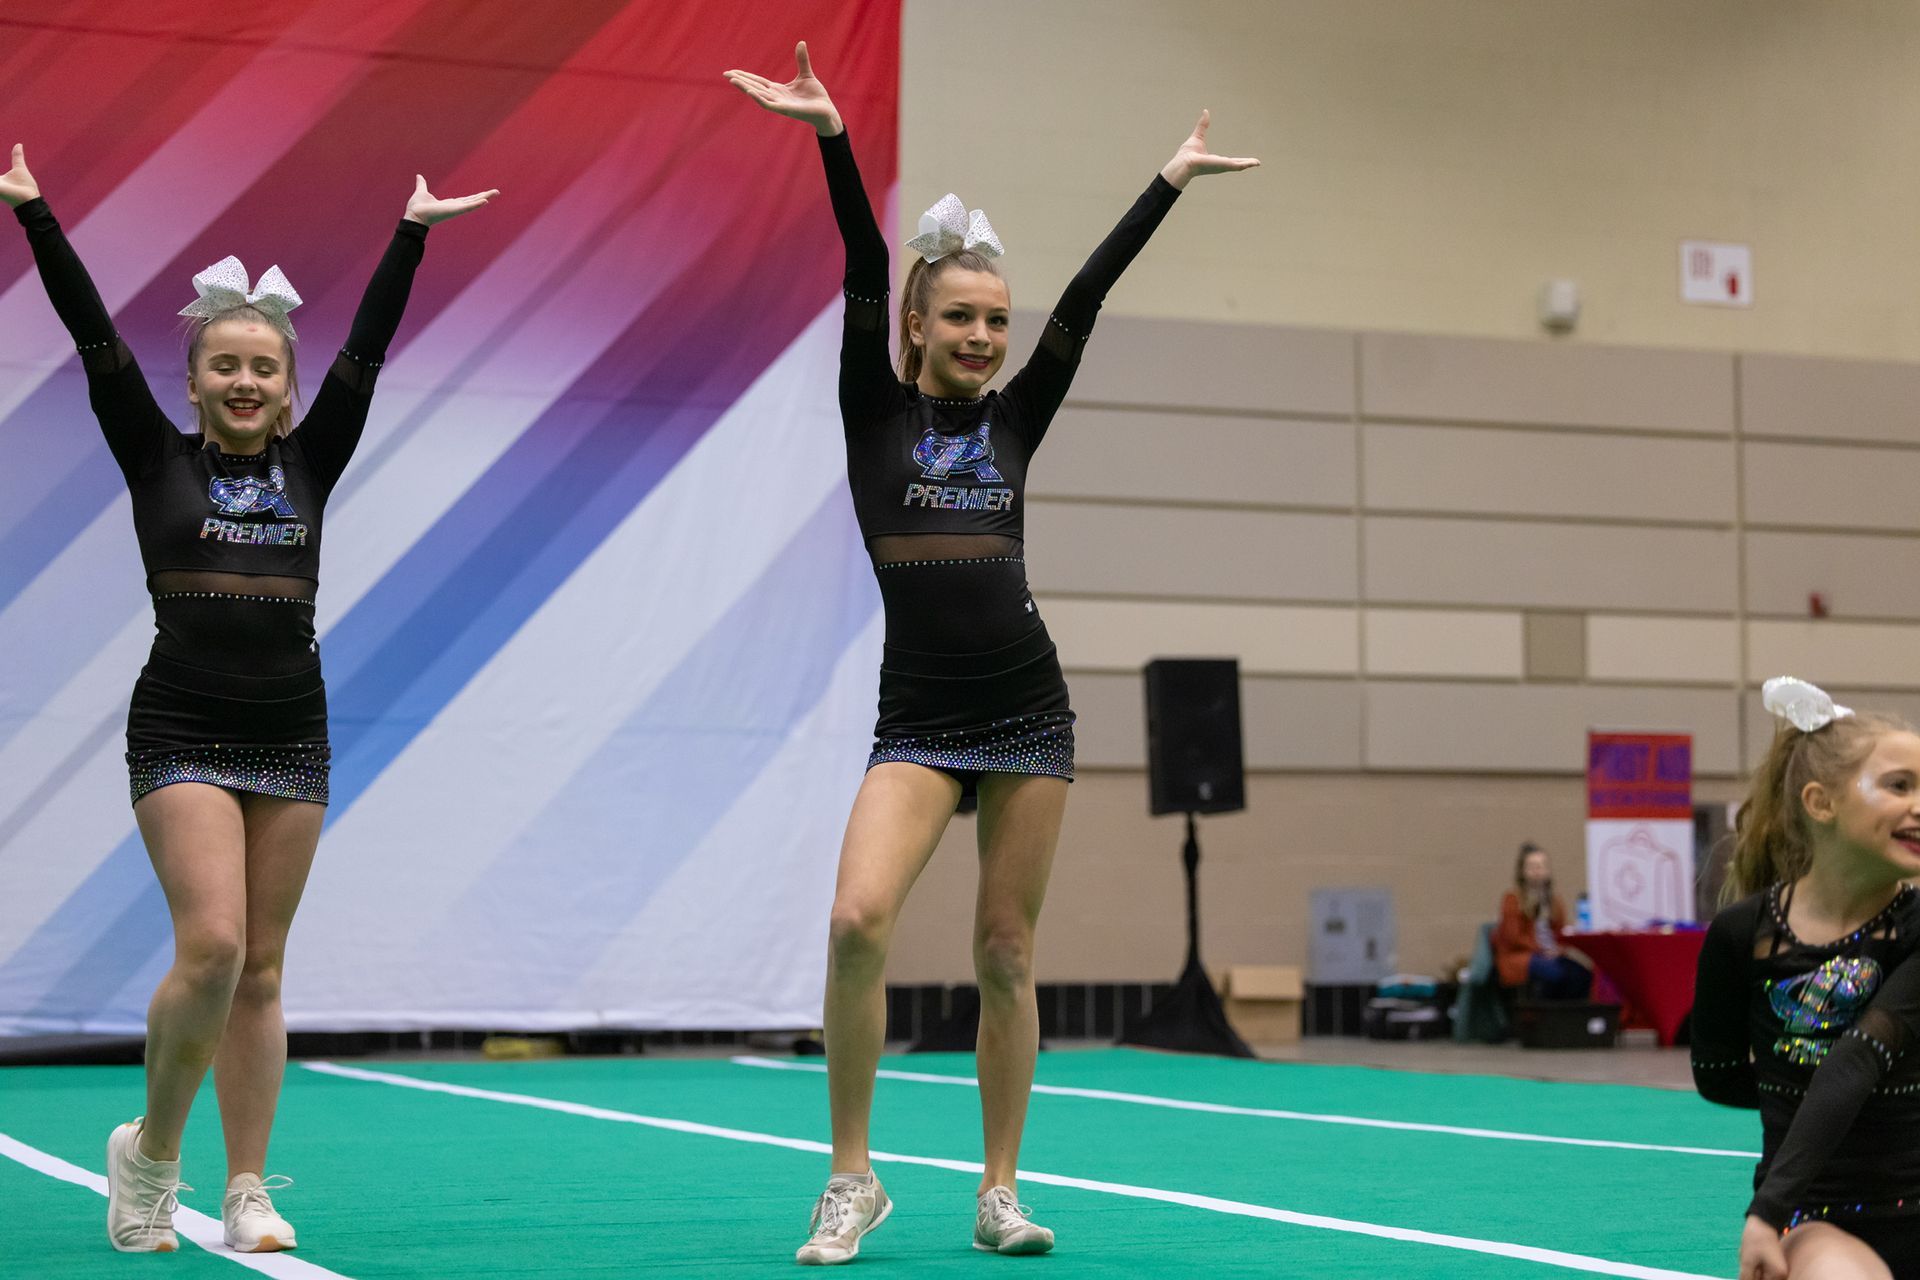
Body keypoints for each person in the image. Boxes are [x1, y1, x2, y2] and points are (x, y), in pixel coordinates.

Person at [724, 42, 1256, 1265]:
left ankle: (1000, 1186)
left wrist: (1165, 183)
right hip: (917, 712)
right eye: (961, 317)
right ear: (915, 322)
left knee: (1005, 949)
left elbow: (1086, 300)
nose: (985, 337)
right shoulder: (874, 407)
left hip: (1026, 708)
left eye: (995, 321)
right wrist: (830, 139)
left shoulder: (1018, 416)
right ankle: (852, 1177)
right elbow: (861, 259)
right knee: (859, 917)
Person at [2, 142, 495, 1254]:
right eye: (222, 364)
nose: (242, 381)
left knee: (264, 966)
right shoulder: (156, 458)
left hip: (292, 726)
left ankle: (247, 1183)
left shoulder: (314, 460)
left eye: (263, 368)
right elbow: (95, 345)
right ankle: (154, 1153)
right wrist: (36, 216)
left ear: (285, 385)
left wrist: (410, 233)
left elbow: (366, 352)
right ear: (192, 382)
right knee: (214, 944)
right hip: (179, 722)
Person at [1693, 677, 1920, 1280]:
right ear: (1821, 803)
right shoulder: (1743, 934)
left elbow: (1860, 1060)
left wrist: (1798, 1086)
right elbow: (1716, 1075)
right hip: (1819, 1215)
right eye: (1899, 786)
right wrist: (1772, 1210)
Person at [1495, 842, 1592, 1000]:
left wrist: (1559, 948)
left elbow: (1560, 930)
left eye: (1541, 866)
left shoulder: (1553, 901)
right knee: (1556, 974)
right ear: (1523, 871)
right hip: (1523, 957)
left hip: (1550, 954)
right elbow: (1512, 937)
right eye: (1532, 867)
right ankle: (1547, 1015)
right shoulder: (1513, 899)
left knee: (1582, 975)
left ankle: (1568, 1015)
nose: (1537, 871)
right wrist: (1541, 949)